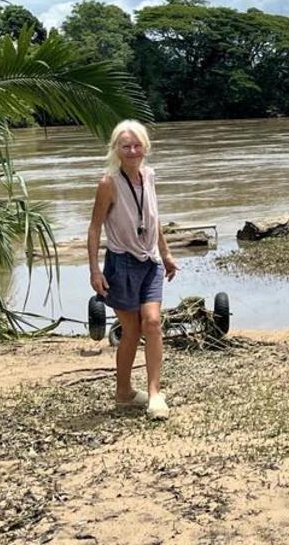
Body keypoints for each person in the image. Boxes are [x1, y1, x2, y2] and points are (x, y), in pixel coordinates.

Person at [86, 120, 179, 419]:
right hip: (122, 262)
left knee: (152, 323)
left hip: (149, 261)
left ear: (145, 147)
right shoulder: (108, 184)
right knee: (131, 330)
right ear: (116, 149)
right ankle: (124, 392)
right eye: (125, 146)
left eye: (137, 145)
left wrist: (166, 253)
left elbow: (154, 218)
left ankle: (154, 394)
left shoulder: (149, 176)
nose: (132, 150)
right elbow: (94, 228)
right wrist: (95, 271)